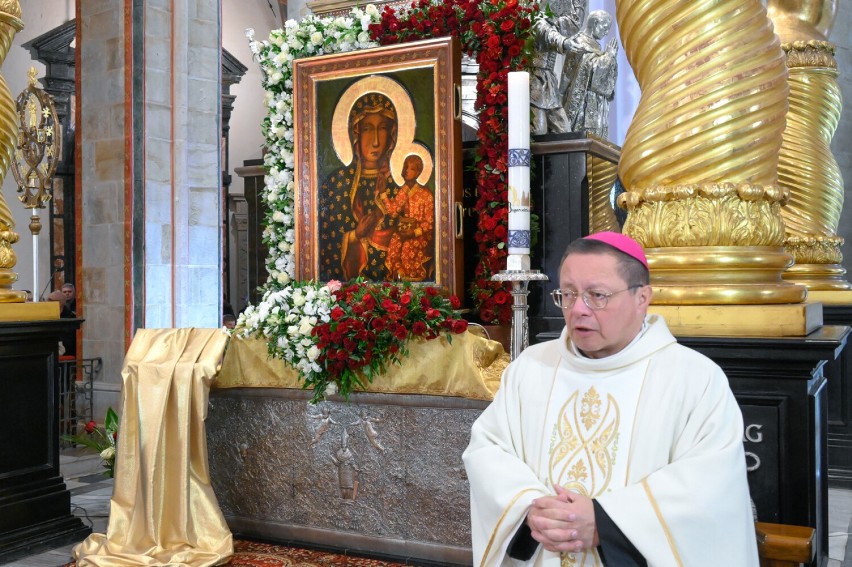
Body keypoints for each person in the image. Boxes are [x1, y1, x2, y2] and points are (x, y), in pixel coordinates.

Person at [462, 231, 758, 566]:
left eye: (597, 295)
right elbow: (488, 448)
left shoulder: (695, 379)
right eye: (568, 295)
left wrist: (605, 521)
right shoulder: (532, 367)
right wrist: (529, 507)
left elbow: (708, 488)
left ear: (641, 298)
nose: (579, 310)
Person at [318, 91, 400, 282]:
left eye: (382, 129)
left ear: (392, 134)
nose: (376, 141)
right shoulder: (337, 182)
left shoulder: (398, 184)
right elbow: (324, 243)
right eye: (367, 129)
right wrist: (355, 235)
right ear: (356, 133)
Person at [529, 0, 586, 136]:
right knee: (539, 131)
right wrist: (563, 42)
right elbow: (540, 27)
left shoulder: (557, 19)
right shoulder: (534, 13)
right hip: (533, 79)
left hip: (548, 80)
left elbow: (572, 25)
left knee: (564, 132)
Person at [560, 10, 618, 139]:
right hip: (581, 105)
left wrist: (610, 58)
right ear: (595, 22)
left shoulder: (595, 46)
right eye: (605, 27)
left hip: (595, 105)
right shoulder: (579, 42)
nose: (606, 32)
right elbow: (587, 74)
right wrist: (608, 57)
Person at [379, 154, 434, 281]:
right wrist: (383, 193)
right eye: (405, 167)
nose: (406, 171)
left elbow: (429, 223)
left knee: (408, 246)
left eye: (411, 169)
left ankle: (411, 280)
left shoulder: (426, 194)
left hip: (422, 234)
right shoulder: (403, 191)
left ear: (418, 172)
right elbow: (393, 212)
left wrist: (414, 232)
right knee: (394, 241)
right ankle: (398, 276)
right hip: (406, 229)